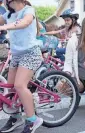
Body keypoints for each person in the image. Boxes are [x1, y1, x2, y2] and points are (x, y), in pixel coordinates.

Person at [0, 0, 43, 132]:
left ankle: (32, 120)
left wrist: (5, 27)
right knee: (11, 89)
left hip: (31, 53)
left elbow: (25, 22)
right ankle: (16, 117)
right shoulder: (8, 15)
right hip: (17, 55)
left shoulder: (28, 11)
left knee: (19, 85)